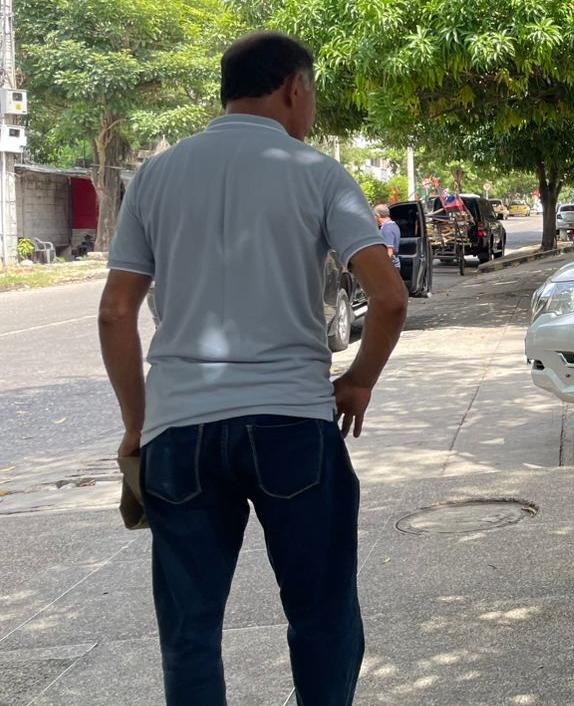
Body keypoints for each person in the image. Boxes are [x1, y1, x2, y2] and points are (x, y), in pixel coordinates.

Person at [97, 32, 407, 704]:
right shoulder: (317, 173)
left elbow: (116, 314)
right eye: (312, 95)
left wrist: (137, 425)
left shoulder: (156, 174)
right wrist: (358, 380)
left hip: (180, 431)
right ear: (295, 88)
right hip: (292, 423)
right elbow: (389, 297)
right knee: (321, 616)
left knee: (189, 633)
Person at [375, 204, 401, 269]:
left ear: (378, 216)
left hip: (390, 266)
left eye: (374, 216)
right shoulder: (393, 225)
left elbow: (389, 251)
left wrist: (382, 266)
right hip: (394, 264)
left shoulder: (387, 229)